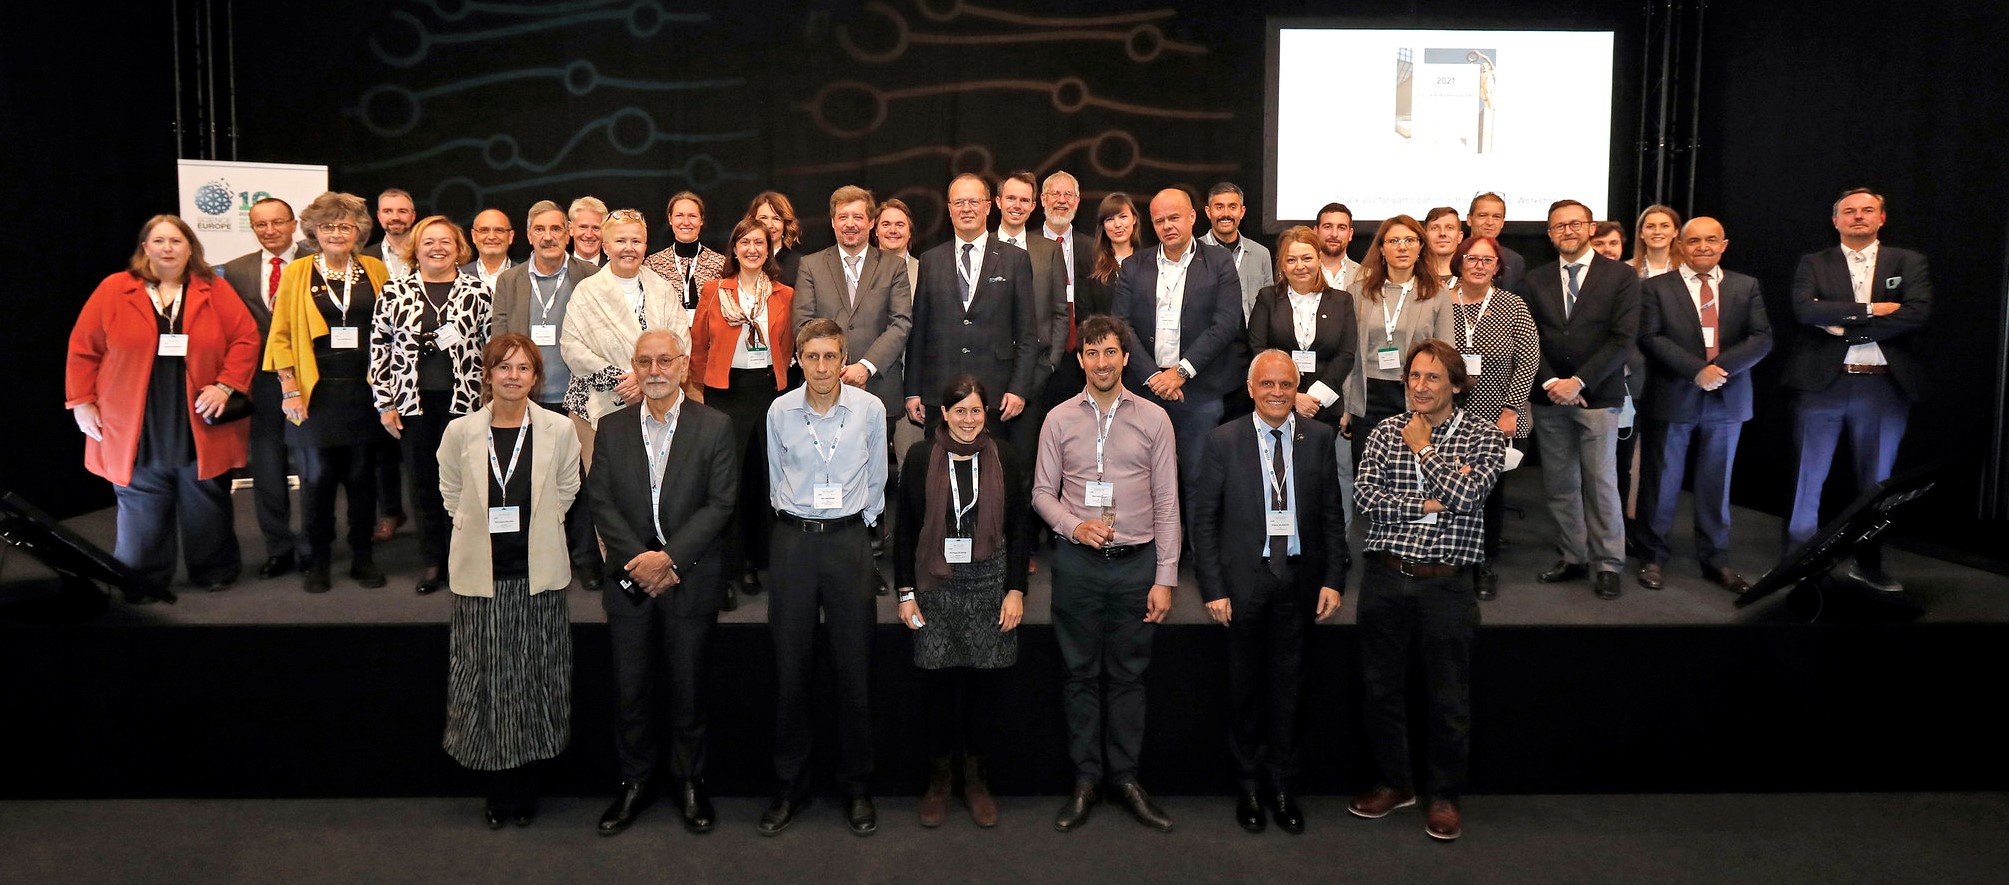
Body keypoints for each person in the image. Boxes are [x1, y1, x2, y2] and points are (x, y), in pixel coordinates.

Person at [1349, 339, 1504, 843]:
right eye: (1414, 376)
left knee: (1448, 696)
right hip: (1386, 577)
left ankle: (1443, 794)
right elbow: (1366, 497)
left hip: (1447, 586)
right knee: (1381, 689)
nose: (1419, 386)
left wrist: (1424, 449)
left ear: (1456, 385)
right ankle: (1396, 783)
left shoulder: (1483, 434)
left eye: (1432, 378)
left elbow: (1468, 495)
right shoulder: (1382, 432)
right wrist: (1428, 503)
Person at [1032, 314, 1180, 834]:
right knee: (1078, 675)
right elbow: (1041, 494)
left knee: (1128, 676)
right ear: (1080, 360)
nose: (1101, 362)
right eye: (1091, 353)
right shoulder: (1057, 419)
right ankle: (1086, 779)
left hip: (1137, 564)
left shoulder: (1155, 419)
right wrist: (1074, 526)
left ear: (1124, 357)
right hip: (1078, 565)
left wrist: (1165, 577)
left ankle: (1126, 778)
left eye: (1110, 352)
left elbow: (1167, 502)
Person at [1189, 350, 1347, 836]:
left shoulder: (1318, 439)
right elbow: (1205, 521)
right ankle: (1249, 787)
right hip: (1243, 584)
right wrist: (1212, 587)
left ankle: (1282, 786)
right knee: (1244, 692)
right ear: (1251, 387)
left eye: (1286, 384)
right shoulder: (1223, 441)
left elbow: (1331, 518)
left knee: (1290, 690)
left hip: (1299, 583)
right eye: (1268, 384)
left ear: (1296, 388)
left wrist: (1334, 578)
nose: (1277, 393)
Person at [589, 329, 740, 837]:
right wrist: (640, 561)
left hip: (688, 576)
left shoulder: (715, 426)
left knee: (688, 686)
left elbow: (721, 503)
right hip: (631, 578)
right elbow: (601, 502)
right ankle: (634, 781)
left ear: (682, 365)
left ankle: (689, 781)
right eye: (645, 362)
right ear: (634, 367)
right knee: (630, 688)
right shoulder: (609, 428)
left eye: (664, 361)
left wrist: (670, 559)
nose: (655, 370)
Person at [66, 215, 260, 598]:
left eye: (176, 241)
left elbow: (246, 339)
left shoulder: (213, 288)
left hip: (199, 411)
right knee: (140, 500)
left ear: (191, 248)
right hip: (135, 415)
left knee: (205, 494)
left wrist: (225, 386)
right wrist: (81, 402)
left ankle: (215, 569)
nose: (168, 248)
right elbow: (83, 349)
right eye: (159, 241)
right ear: (145, 247)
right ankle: (141, 577)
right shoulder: (114, 289)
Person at [437, 333, 581, 829]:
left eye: (523, 368)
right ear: (488, 374)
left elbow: (567, 489)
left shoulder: (559, 430)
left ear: (536, 378)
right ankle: (498, 790)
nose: (513, 376)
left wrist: (537, 528)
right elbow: (451, 493)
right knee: (488, 683)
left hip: (537, 576)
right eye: (504, 367)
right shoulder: (461, 432)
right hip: (483, 580)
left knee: (535, 681)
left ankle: (527, 787)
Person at [760, 318, 889, 837]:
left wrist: (862, 523)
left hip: (847, 542)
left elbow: (878, 476)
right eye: (810, 357)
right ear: (799, 360)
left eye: (829, 357)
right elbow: (774, 476)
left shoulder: (870, 410)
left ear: (843, 358)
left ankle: (856, 787)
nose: (820, 367)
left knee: (853, 667)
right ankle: (791, 786)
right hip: (793, 542)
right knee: (791, 668)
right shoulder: (779, 411)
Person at [894, 374, 1031, 829]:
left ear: (985, 413)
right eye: (959, 411)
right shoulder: (919, 458)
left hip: (990, 583)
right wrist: (905, 594)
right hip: (934, 585)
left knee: (982, 689)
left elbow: (1019, 529)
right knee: (936, 687)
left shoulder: (1005, 456)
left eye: (976, 410)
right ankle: (938, 783)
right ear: (944, 414)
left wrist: (1016, 589)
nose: (968, 419)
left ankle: (975, 782)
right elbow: (906, 532)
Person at [1782, 188, 1932, 593]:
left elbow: (1917, 313)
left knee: (1877, 486)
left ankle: (1867, 563)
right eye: (1849, 212)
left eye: (1868, 210)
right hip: (1822, 387)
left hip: (1883, 388)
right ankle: (1797, 566)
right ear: (1836, 221)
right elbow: (1805, 310)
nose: (1858, 217)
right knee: (1807, 481)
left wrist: (1845, 326)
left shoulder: (1908, 261)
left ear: (1882, 218)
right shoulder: (1813, 262)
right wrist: (1873, 309)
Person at [266, 192, 394, 592]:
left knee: (361, 479)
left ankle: (362, 557)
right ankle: (317, 559)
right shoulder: (298, 272)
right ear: (313, 231)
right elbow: (282, 334)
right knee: (317, 479)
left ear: (358, 231)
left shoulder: (375, 269)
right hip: (314, 390)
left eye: (345, 225)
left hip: (365, 390)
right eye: (328, 226)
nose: (336, 233)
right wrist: (289, 389)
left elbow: (391, 328)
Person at [1636, 217, 1772, 593]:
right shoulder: (1656, 288)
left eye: (1711, 240)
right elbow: (1649, 337)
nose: (1703, 247)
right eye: (1694, 241)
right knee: (1660, 483)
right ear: (1681, 245)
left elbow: (1761, 338)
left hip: (1727, 398)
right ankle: (1652, 557)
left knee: (1716, 484)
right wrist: (1697, 370)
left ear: (1724, 244)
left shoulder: (1746, 286)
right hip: (1673, 394)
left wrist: (1718, 370)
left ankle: (1716, 560)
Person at [1523, 199, 1641, 600]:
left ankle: (1608, 563)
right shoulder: (1535, 280)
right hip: (1549, 396)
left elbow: (1623, 339)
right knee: (1560, 483)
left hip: (1599, 395)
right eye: (1559, 226)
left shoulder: (1621, 277)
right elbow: (1528, 340)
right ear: (1550, 234)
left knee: (1601, 481)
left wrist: (1580, 381)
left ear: (1590, 228)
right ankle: (1573, 556)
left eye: (1575, 224)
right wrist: (1554, 381)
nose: (1567, 231)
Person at [373, 214, 495, 595]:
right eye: (429, 241)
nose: (437, 248)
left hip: (465, 404)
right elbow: (379, 350)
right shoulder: (394, 292)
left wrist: (494, 402)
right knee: (424, 484)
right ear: (416, 248)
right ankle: (432, 561)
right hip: (413, 405)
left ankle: (466, 559)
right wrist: (384, 404)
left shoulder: (477, 292)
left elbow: (492, 350)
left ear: (459, 248)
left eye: (445, 241)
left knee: (468, 486)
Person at [491, 200, 604, 588]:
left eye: (557, 229)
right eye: (541, 229)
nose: (549, 236)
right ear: (529, 235)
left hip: (578, 397)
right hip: (529, 399)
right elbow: (500, 339)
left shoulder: (589, 275)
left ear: (569, 233)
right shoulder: (511, 281)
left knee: (584, 481)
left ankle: (585, 557)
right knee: (530, 480)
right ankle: (532, 554)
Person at [691, 217, 796, 605]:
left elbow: (785, 347)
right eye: (744, 242)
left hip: (769, 394)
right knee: (726, 484)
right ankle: (726, 569)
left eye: (760, 243)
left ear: (769, 250)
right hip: (725, 394)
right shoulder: (714, 291)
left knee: (763, 480)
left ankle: (756, 560)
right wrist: (701, 391)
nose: (752, 249)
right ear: (733, 249)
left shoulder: (784, 294)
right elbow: (698, 346)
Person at [1110, 187, 1244, 491]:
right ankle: (1151, 541)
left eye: (1174, 218)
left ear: (1193, 217)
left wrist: (1180, 372)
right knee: (1140, 482)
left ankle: (1197, 541)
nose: (1167, 226)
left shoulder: (1220, 262)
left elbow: (1225, 325)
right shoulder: (1133, 266)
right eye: (1159, 221)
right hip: (1145, 391)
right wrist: (1155, 376)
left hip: (1199, 393)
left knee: (1199, 483)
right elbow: (1121, 325)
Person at [219, 196, 316, 579]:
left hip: (307, 379)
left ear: (293, 224)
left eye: (277, 222)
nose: (270, 231)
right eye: (261, 225)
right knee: (268, 469)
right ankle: (279, 547)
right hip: (259, 382)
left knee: (312, 467)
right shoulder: (235, 269)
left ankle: (312, 545)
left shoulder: (315, 261)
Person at [904, 174, 1038, 446]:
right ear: (949, 208)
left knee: (993, 477)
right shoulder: (930, 260)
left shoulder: (1015, 260)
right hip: (939, 392)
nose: (967, 209)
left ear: (988, 207)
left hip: (996, 393)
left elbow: (1026, 333)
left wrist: (1019, 389)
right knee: (940, 477)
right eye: (959, 202)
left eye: (974, 201)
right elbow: (919, 332)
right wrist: (913, 391)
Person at [559, 208, 691, 472]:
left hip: (658, 402)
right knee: (607, 488)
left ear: (645, 246)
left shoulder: (662, 288)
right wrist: (625, 380)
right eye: (620, 241)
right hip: (596, 408)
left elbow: (681, 343)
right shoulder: (588, 291)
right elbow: (571, 347)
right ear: (605, 246)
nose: (628, 248)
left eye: (636, 241)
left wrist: (643, 380)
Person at [1444, 235, 1540, 600]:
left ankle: (1483, 562)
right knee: (1448, 485)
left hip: (1497, 413)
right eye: (1472, 258)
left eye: (1488, 260)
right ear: (1460, 262)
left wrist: (1512, 407)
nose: (1480, 265)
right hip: (1449, 413)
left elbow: (1528, 359)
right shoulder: (1443, 303)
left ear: (1497, 267)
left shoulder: (1512, 305)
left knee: (1489, 491)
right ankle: (1452, 557)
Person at [1344, 216, 1455, 475]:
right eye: (1394, 241)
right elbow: (1348, 354)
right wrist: (1347, 407)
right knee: (1370, 476)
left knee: (1408, 476)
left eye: (1409, 240)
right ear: (1382, 249)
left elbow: (1446, 355)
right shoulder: (1357, 292)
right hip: (1367, 398)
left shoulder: (1437, 295)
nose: (1402, 247)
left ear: (1420, 248)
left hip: (1416, 397)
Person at [1246, 225, 1356, 429]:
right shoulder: (1267, 298)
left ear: (1319, 258)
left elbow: (1346, 354)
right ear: (1282, 264)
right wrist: (1293, 397)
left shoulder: (1342, 301)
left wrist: (1314, 398)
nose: (1300, 266)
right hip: (1275, 402)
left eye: (1307, 258)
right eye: (1291, 259)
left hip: (1322, 407)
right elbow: (1257, 348)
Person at [994, 171, 1072, 436]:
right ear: (998, 202)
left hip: (1035, 373)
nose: (1017, 205)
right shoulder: (982, 247)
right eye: (1011, 198)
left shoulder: (1049, 251)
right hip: (988, 371)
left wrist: (1050, 363)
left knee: (1026, 459)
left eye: (1024, 200)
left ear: (1033, 206)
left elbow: (1061, 312)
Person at [1057, 192, 1143, 399]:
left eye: (1123, 217)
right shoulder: (1090, 264)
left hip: (1143, 359)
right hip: (1103, 358)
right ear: (1102, 226)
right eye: (1109, 219)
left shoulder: (1150, 261)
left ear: (1134, 220)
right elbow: (1084, 314)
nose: (1117, 225)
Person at [369, 189, 417, 543]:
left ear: (413, 215)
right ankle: (389, 511)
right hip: (382, 362)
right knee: (383, 446)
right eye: (388, 210)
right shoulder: (364, 259)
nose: (395, 216)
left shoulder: (429, 252)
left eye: (402, 210)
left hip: (421, 365)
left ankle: (426, 516)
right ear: (378, 216)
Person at [1038, 171, 1100, 405]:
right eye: (1055, 194)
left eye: (1068, 194)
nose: (1062, 200)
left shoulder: (1094, 249)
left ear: (1078, 200)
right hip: (1038, 353)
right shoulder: (1025, 246)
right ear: (1043, 199)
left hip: (1080, 352)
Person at [1198, 183, 1274, 321]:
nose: (1226, 214)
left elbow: (1270, 305)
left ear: (1242, 211)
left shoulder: (1261, 254)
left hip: (1250, 338)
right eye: (1219, 207)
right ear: (1208, 212)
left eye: (1232, 207)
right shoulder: (1194, 252)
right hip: (1208, 336)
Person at [644, 191, 729, 313]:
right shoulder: (653, 264)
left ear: (701, 220)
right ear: (670, 219)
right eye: (679, 215)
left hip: (708, 330)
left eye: (692, 216)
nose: (686, 222)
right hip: (668, 330)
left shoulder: (720, 263)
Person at [1467, 193, 1525, 293]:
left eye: (1496, 217)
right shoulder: (1455, 255)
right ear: (1469, 219)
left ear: (1502, 222)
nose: (1490, 222)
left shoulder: (1514, 262)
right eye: (1482, 215)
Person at [747, 191, 803, 287]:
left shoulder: (800, 265)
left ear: (785, 224)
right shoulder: (741, 260)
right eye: (763, 218)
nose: (769, 225)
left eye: (776, 219)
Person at [463, 209, 516, 291]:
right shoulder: (459, 276)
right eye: (484, 230)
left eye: (499, 230)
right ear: (474, 236)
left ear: (510, 236)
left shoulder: (527, 276)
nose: (491, 237)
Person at [1315, 202, 1361, 291]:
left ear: (1350, 234)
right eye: (1328, 227)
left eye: (1341, 228)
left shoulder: (1367, 276)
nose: (1334, 234)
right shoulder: (1302, 271)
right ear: (1316, 231)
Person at [1628, 205, 1682, 278]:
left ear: (1675, 232)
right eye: (1650, 226)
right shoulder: (1627, 269)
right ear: (1641, 233)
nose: (1657, 232)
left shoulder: (1686, 268)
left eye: (1665, 226)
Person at [876, 198, 921, 284]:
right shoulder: (861, 270)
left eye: (899, 225)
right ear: (876, 231)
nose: (893, 230)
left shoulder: (923, 272)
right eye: (886, 225)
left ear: (909, 232)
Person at [1422, 207, 1462, 287]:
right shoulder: (1413, 275)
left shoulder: (1470, 275)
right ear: (1425, 235)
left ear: (1460, 237)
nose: (1442, 233)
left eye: (1449, 228)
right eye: (1435, 228)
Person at [569, 195, 610, 268]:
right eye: (583, 227)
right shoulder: (557, 269)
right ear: (571, 229)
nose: (589, 235)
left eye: (596, 228)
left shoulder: (616, 270)